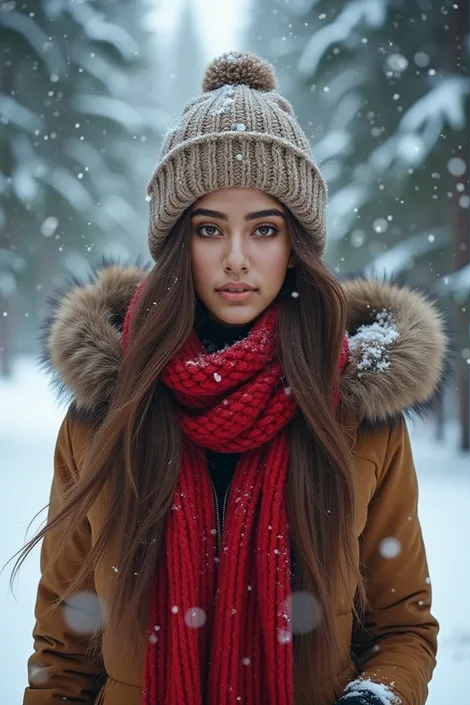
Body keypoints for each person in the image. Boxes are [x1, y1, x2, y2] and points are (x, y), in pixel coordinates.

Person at [14, 51, 447, 705]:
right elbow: (63, 657)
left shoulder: (357, 417)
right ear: (175, 246)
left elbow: (402, 627)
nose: (236, 259)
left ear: (295, 244)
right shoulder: (107, 414)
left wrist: (378, 693)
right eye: (209, 229)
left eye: (264, 229)